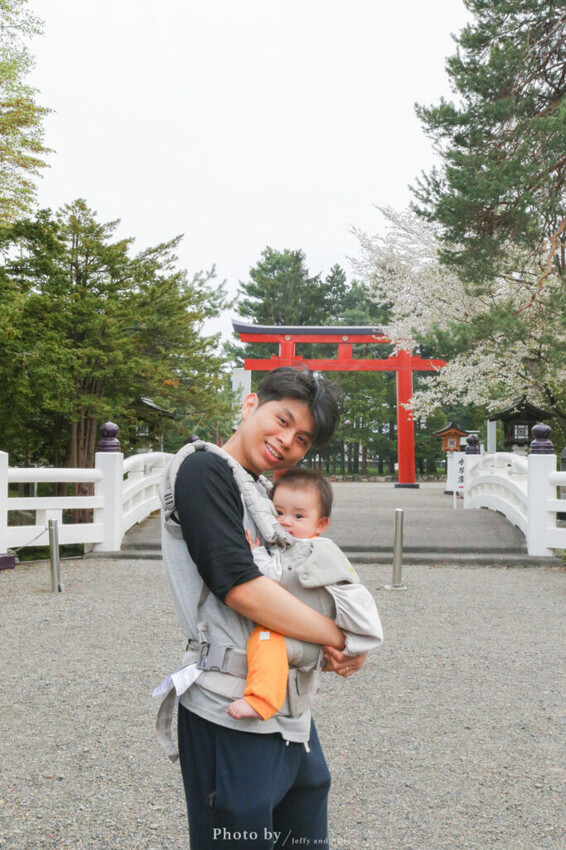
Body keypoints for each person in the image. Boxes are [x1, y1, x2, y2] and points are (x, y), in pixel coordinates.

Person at [161, 367, 367, 850]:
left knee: (306, 805)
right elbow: (241, 587)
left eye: (302, 439)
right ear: (250, 405)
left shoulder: (260, 493)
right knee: (240, 832)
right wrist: (338, 637)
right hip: (227, 703)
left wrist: (349, 633)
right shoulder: (202, 469)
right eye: (282, 420)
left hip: (288, 704)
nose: (286, 441)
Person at [226, 467, 383, 721]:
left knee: (265, 639)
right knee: (265, 641)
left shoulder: (306, 551)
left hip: (304, 639)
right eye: (278, 512)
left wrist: (254, 553)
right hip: (305, 635)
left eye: (299, 516)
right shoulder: (303, 548)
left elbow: (269, 577)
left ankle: (262, 700)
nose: (286, 521)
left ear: (321, 524)